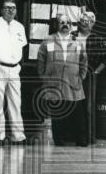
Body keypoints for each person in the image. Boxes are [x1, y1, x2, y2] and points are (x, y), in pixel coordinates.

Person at [36, 12, 88, 146]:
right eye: (62, 22)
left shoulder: (77, 42)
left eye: (68, 23)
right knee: (58, 114)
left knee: (78, 114)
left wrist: (81, 77)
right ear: (57, 25)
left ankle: (81, 140)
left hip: (73, 84)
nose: (65, 25)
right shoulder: (48, 40)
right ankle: (59, 140)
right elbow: (41, 60)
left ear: (71, 25)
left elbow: (84, 61)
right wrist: (44, 78)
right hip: (54, 83)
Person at [0, 0, 28, 145]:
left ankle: (18, 136)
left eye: (13, 8)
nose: (10, 10)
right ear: (1, 10)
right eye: (7, 8)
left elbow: (21, 47)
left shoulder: (20, 27)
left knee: (16, 102)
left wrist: (18, 66)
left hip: (14, 68)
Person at [72, 9, 106, 138]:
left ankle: (88, 137)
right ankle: (71, 136)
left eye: (88, 21)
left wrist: (96, 72)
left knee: (87, 108)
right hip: (72, 75)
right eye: (82, 20)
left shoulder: (98, 39)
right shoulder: (71, 36)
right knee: (71, 105)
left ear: (93, 23)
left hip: (89, 75)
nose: (85, 23)